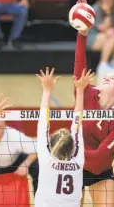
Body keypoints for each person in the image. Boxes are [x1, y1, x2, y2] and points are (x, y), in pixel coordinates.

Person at [75, 0, 114, 207]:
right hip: (73, 167)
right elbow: (80, 64)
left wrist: (73, 151)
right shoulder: (87, 93)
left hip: (99, 170)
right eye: (107, 75)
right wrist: (83, 34)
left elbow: (99, 158)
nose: (108, 76)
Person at [34, 67, 94, 207]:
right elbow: (77, 125)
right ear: (72, 147)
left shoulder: (46, 160)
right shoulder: (78, 161)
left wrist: (47, 90)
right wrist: (80, 91)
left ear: (52, 145)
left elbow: (43, 122)